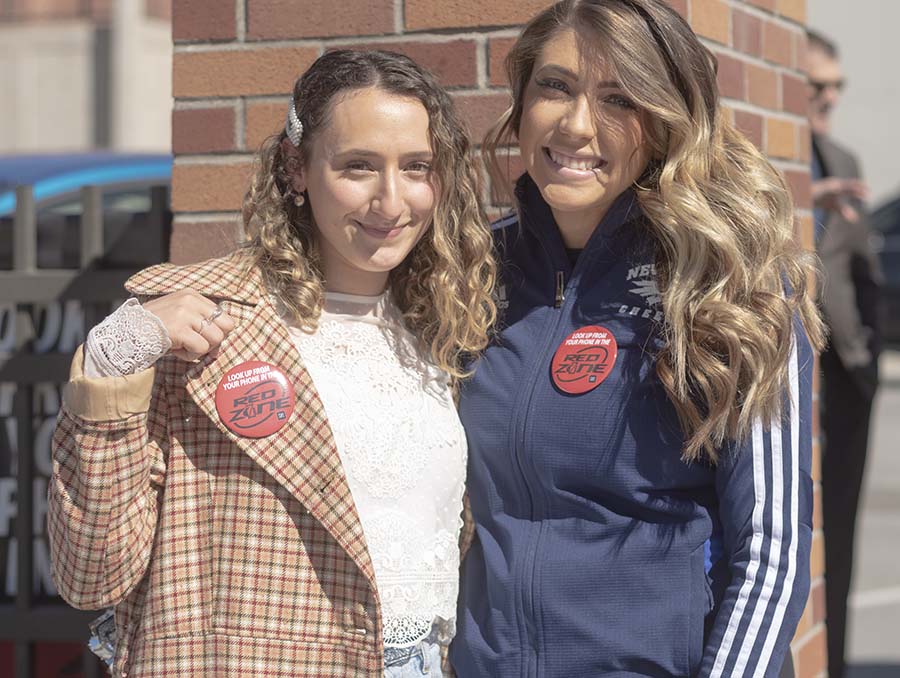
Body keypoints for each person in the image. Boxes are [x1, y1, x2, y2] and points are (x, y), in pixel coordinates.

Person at [47, 49, 495, 677]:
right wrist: (111, 359)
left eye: (417, 167)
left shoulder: (447, 328)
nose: (391, 202)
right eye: (358, 167)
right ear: (297, 167)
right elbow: (91, 573)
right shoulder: (198, 325)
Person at [449, 1, 825, 676]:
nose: (576, 124)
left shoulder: (728, 285)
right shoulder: (477, 273)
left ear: (664, 123)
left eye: (619, 98)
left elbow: (770, 550)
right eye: (555, 87)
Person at [806, 29, 882, 678]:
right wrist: (807, 202)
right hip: (793, 381)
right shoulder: (766, 155)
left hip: (847, 382)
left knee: (846, 536)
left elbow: (864, 275)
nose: (830, 96)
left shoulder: (844, 159)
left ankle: (835, 665)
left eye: (837, 86)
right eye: (817, 85)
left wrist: (868, 363)